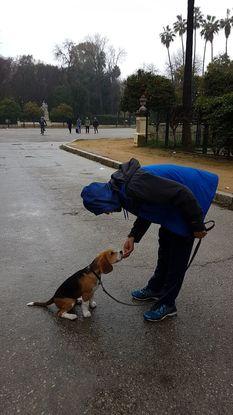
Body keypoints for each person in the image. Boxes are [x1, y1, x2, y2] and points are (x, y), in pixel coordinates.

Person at [81, 158, 218, 322]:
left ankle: (167, 304)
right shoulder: (120, 189)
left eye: (104, 210)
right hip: (175, 203)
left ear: (103, 200)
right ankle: (156, 288)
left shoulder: (134, 185)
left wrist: (197, 226)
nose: (108, 213)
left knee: (177, 255)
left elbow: (181, 193)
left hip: (192, 193)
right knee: (166, 243)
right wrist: (133, 236)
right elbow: (147, 208)